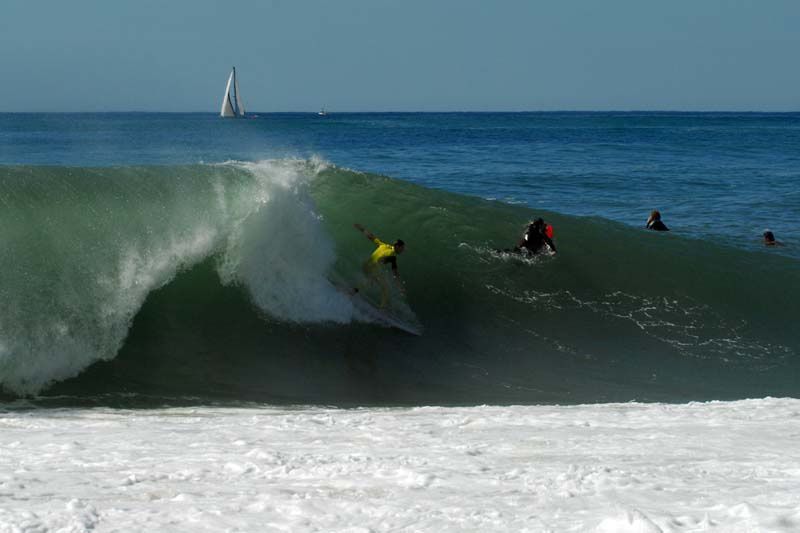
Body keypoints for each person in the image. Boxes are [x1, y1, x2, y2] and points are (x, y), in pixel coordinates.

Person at [353, 223, 405, 307]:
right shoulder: (393, 256)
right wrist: (400, 287)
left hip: (365, 265)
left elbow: (371, 237)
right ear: (397, 247)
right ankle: (382, 309)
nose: (403, 250)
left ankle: (354, 291)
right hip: (373, 268)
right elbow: (395, 272)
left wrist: (361, 229)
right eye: (402, 248)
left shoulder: (383, 245)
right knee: (385, 288)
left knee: (371, 281)